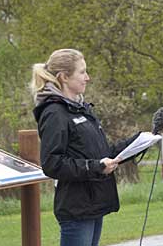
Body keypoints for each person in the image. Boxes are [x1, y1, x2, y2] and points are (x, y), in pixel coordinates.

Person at [30, 49, 139, 246]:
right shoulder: (54, 113)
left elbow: (102, 154)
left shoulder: (82, 108)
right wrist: (96, 166)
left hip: (94, 203)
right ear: (64, 77)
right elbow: (52, 164)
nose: (87, 78)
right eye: (82, 72)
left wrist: (140, 140)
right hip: (76, 208)